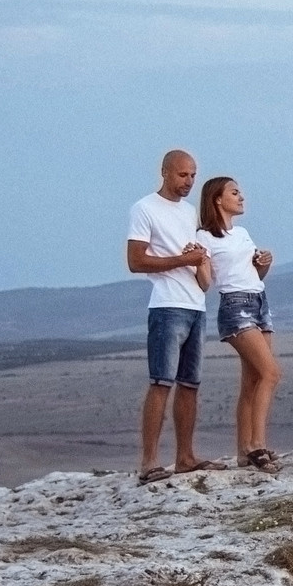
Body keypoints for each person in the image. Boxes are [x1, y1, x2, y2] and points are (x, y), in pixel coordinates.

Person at [126, 149, 223, 481]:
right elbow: (136, 261)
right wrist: (181, 261)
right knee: (160, 382)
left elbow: (195, 262)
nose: (189, 181)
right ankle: (149, 462)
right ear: (165, 172)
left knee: (190, 384)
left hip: (196, 304)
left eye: (194, 175)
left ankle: (185, 457)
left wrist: (199, 262)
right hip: (167, 305)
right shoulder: (144, 209)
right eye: (183, 175)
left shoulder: (189, 212)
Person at [196, 175, 281, 471]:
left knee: (253, 380)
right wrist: (195, 261)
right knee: (271, 373)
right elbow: (206, 282)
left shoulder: (243, 233)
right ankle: (257, 445)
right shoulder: (205, 237)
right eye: (235, 192)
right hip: (235, 306)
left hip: (259, 302)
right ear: (217, 199)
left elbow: (254, 276)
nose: (242, 197)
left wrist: (264, 263)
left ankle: (244, 452)